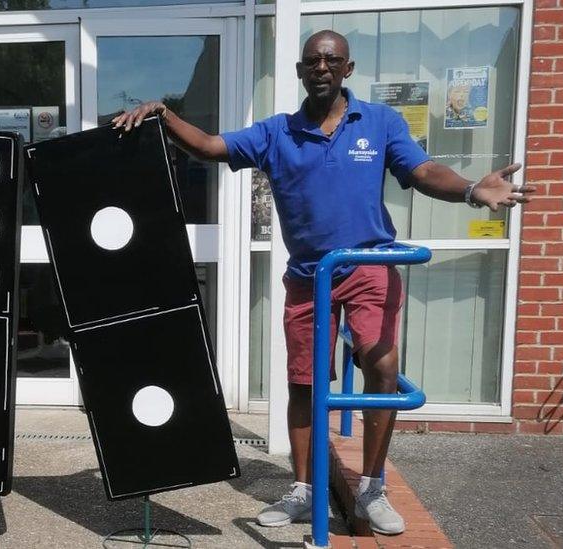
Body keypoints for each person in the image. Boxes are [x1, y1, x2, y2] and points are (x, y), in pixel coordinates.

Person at [112, 30, 533, 535]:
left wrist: (469, 190)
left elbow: (420, 172)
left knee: (382, 367)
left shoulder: (378, 123)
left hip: (366, 265)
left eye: (331, 60)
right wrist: (164, 113)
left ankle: (372, 487)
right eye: (312, 60)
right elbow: (209, 146)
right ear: (299, 70)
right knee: (304, 383)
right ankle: (303, 489)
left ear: (347, 69)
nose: (322, 67)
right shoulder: (277, 133)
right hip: (309, 277)